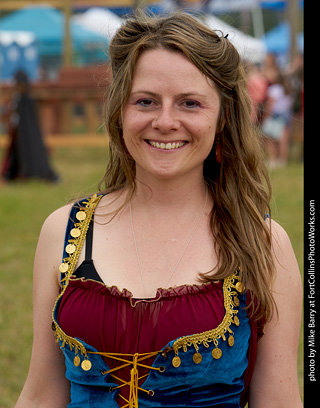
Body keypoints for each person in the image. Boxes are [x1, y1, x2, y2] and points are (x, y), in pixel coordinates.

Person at [15, 12, 302, 408]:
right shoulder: (64, 231)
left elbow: (279, 400)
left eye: (190, 103)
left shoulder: (265, 244)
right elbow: (42, 392)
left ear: (222, 118)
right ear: (120, 111)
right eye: (146, 101)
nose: (165, 122)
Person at [1, 70, 59, 182]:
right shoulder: (16, 99)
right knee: (15, 154)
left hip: (28, 136)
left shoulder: (27, 100)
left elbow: (30, 122)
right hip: (18, 134)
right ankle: (12, 174)